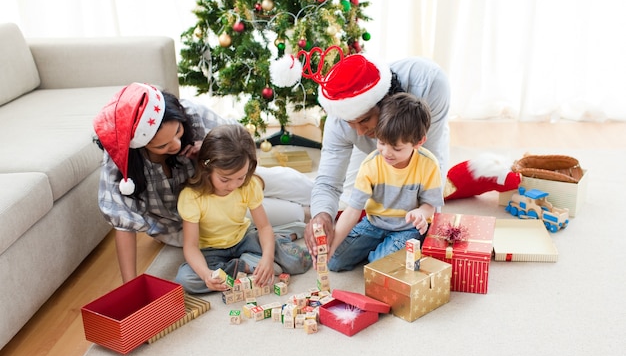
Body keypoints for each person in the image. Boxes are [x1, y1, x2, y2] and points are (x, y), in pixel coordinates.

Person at [93, 82, 312, 283]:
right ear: (140, 146)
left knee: (297, 187)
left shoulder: (191, 114)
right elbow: (123, 224)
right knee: (294, 213)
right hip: (195, 221)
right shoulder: (122, 164)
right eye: (163, 146)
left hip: (233, 181)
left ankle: (321, 205)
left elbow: (240, 140)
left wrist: (206, 146)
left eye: (178, 132)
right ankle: (267, 246)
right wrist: (130, 287)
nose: (177, 145)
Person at [276, 46, 451, 260]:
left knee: (420, 198)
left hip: (419, 129)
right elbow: (329, 183)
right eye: (351, 123)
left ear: (386, 102)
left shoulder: (430, 83)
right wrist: (322, 216)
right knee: (355, 194)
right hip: (377, 157)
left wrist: (423, 216)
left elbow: (425, 168)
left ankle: (403, 237)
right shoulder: (340, 120)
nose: (359, 131)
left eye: (365, 119)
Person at [174, 124, 312, 294]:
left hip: (244, 238)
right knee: (186, 280)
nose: (233, 185)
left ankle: (268, 249)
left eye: (240, 177)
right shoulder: (191, 197)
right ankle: (242, 265)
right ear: (206, 168)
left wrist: (267, 259)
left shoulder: (248, 185)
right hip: (211, 251)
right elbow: (191, 247)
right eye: (225, 179)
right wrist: (206, 275)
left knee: (300, 260)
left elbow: (264, 227)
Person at [327, 93, 443, 271]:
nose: (386, 152)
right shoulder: (371, 164)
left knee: (380, 269)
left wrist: (420, 212)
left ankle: (382, 255)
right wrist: (332, 246)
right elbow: (353, 210)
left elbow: (430, 205)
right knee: (334, 262)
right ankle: (379, 251)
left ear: (419, 142)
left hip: (406, 229)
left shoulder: (429, 164)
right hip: (374, 223)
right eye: (381, 142)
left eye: (396, 148)